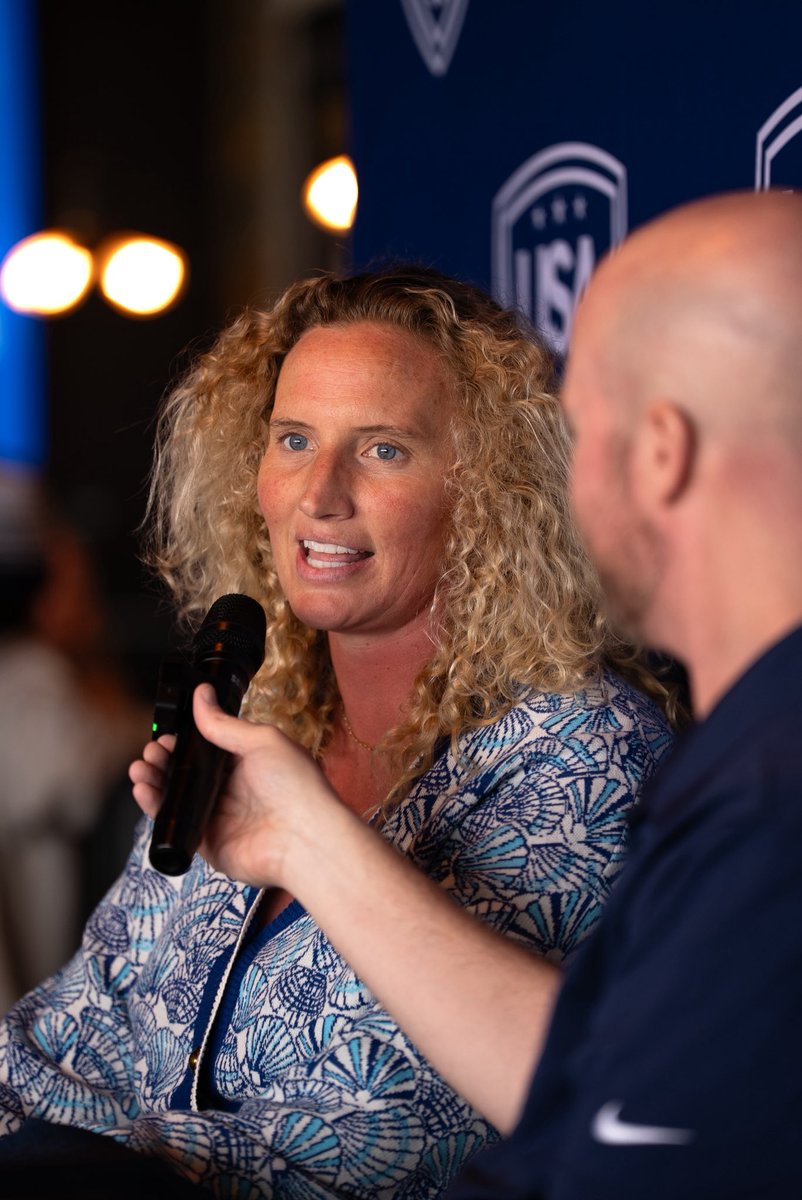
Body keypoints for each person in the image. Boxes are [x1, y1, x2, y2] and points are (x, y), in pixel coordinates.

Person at [132, 193, 802, 1199]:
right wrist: (301, 839)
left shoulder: (746, 790)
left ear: (656, 450)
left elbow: (626, 1152)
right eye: (292, 440)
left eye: (585, 422)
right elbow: (588, 1081)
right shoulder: (742, 758)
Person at [0, 267, 673, 1197]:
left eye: (385, 449)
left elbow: (409, 1140)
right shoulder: (255, 729)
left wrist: (101, 1166)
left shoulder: (583, 754)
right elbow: (63, 1041)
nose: (321, 492)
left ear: (489, 491)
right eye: (294, 439)